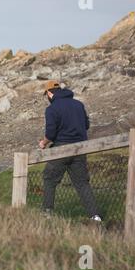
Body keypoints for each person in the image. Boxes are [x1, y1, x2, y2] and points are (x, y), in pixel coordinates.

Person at [39, 80, 101, 222]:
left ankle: (47, 212)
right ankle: (95, 216)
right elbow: (86, 125)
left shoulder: (52, 109)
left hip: (61, 149)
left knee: (49, 178)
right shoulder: (78, 105)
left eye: (46, 95)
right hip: (80, 149)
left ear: (49, 93)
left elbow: (51, 134)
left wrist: (43, 143)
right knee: (82, 183)